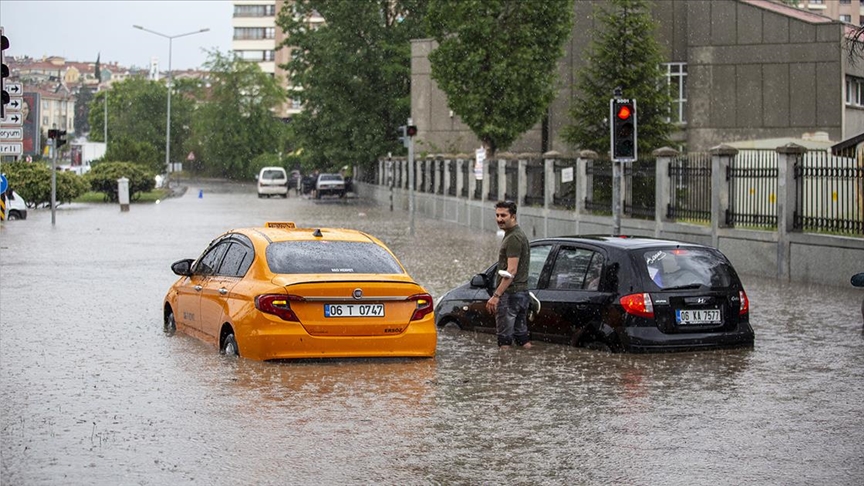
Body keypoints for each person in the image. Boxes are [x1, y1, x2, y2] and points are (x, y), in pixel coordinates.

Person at [485, 200, 532, 349]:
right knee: (522, 338)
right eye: (497, 215)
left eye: (503, 215)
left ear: (513, 216)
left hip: (510, 294)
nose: (499, 219)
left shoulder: (513, 238)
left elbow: (511, 271)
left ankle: (503, 370)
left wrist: (496, 296)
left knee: (504, 341)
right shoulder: (516, 235)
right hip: (522, 293)